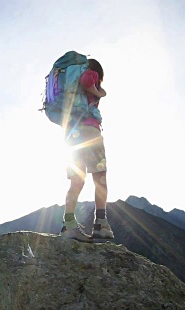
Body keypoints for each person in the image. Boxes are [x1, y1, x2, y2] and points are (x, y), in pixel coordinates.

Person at [60, 59, 114, 242]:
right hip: (89, 132)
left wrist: (99, 92)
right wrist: (98, 91)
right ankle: (100, 223)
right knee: (100, 177)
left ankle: (68, 225)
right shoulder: (90, 73)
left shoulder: (70, 85)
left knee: (76, 181)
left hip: (71, 134)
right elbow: (87, 82)